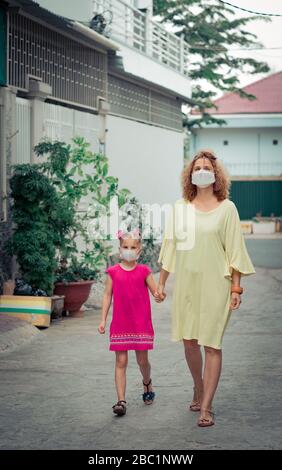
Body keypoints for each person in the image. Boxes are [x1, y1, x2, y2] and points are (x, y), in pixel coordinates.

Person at [156, 149, 256, 427]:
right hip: (187, 284)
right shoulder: (180, 208)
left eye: (206, 168)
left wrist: (236, 288)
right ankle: (198, 387)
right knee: (190, 342)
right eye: (196, 168)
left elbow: (234, 251)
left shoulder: (228, 209)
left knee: (212, 343)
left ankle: (207, 405)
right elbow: (171, 247)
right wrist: (162, 282)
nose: (201, 171)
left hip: (217, 285)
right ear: (190, 175)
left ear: (216, 175)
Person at [98, 228, 164, 416]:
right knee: (121, 361)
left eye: (132, 247)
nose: (128, 250)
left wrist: (159, 295)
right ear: (119, 249)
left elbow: (155, 293)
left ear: (139, 251)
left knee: (142, 360)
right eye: (125, 246)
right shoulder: (113, 272)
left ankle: (147, 382)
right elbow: (107, 296)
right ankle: (121, 400)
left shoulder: (144, 271)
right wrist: (103, 319)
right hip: (120, 324)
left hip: (140, 324)